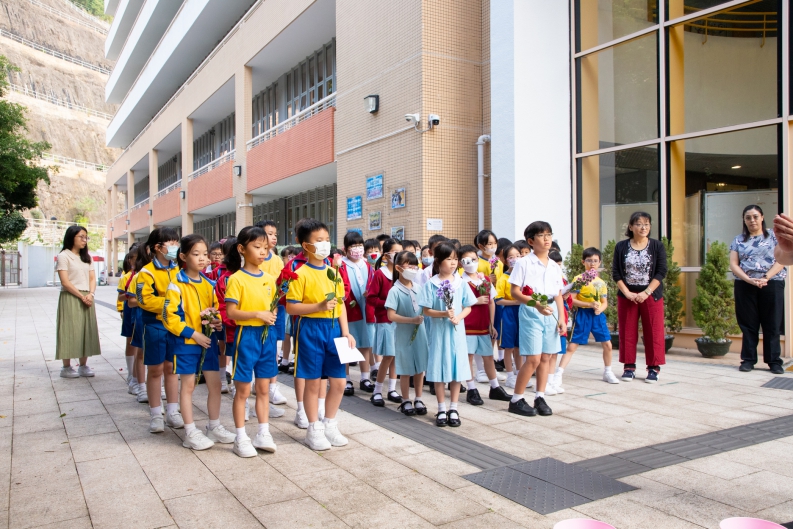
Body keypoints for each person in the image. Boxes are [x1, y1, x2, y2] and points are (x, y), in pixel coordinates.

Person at [162, 234, 236, 450]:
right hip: (186, 343)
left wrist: (217, 322)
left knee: (215, 384)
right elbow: (169, 318)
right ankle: (190, 431)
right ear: (183, 256)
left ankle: (214, 426)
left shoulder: (209, 283)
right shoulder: (176, 285)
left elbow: (215, 309)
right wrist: (193, 334)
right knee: (188, 386)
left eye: (205, 254)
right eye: (196, 254)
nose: (203, 258)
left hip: (208, 342)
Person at [286, 218, 354, 451]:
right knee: (313, 383)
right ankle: (313, 428)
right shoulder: (300, 274)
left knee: (339, 381)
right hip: (311, 329)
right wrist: (319, 307)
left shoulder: (334, 272)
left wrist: (346, 332)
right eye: (319, 240)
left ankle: (330, 423)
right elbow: (291, 307)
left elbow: (341, 304)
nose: (325, 244)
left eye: (326, 239)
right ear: (306, 245)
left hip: (334, 329)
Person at [225, 226, 280, 457]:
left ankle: (263, 433)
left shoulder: (269, 279)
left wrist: (271, 315)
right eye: (257, 247)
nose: (262, 252)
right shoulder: (236, 279)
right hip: (246, 336)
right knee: (243, 389)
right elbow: (231, 312)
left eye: (265, 247)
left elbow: (274, 306)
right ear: (241, 249)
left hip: (267, 336)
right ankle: (240, 437)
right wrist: (258, 314)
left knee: (264, 388)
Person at [507, 221, 565, 417]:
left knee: (546, 357)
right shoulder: (523, 263)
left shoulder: (554, 266)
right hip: (532, 311)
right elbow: (515, 292)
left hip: (551, 311)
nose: (546, 239)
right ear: (531, 241)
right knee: (533, 358)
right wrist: (536, 304)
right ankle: (516, 399)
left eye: (549, 234)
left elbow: (558, 293)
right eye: (541, 235)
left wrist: (561, 318)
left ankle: (540, 396)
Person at [419, 242, 477, 427]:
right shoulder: (431, 284)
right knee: (439, 369)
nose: (453, 263)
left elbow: (468, 306)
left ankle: (454, 408)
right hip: (438, 333)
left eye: (455, 259)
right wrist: (444, 314)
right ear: (438, 260)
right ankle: (441, 408)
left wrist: (458, 317)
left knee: (456, 369)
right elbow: (426, 310)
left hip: (457, 333)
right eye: (449, 259)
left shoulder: (461, 283)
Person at [133, 227, 183, 433]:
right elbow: (144, 300)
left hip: (175, 325)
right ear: (157, 247)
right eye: (171, 243)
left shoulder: (179, 269)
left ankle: (172, 411)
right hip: (154, 326)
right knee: (155, 369)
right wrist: (171, 302)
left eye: (176, 242)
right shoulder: (146, 273)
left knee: (171, 368)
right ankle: (155, 413)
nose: (175, 246)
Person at [729, 205, 786, 374]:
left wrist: (765, 277)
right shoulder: (738, 240)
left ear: (762, 217)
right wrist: (748, 280)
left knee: (772, 324)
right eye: (748, 217)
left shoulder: (775, 236)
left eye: (755, 216)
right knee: (748, 324)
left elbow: (782, 259)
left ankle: (774, 361)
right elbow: (733, 264)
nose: (752, 220)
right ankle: (748, 360)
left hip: (772, 283)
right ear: (744, 220)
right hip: (745, 285)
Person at [612, 212, 667, 383]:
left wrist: (646, 292)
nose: (643, 227)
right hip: (627, 296)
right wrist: (627, 292)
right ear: (630, 227)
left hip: (651, 295)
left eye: (647, 224)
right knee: (627, 332)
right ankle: (629, 367)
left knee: (654, 331)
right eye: (639, 224)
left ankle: (653, 368)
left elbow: (661, 271)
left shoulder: (657, 246)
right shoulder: (621, 246)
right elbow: (616, 272)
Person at [554, 247, 619, 386]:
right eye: (589, 260)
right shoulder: (579, 279)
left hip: (597, 316)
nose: (592, 263)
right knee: (572, 346)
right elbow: (572, 300)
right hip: (582, 314)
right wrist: (589, 304)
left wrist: (600, 309)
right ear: (583, 262)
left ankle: (608, 371)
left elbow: (604, 302)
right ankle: (558, 373)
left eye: (595, 261)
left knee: (607, 344)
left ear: (599, 262)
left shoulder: (601, 282)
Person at [459, 245, 511, 404]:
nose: (471, 263)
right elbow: (457, 304)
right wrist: (475, 301)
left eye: (474, 259)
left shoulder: (485, 279)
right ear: (461, 263)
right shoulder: (460, 282)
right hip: (467, 325)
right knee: (468, 357)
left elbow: (491, 302)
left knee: (488, 356)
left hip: (483, 325)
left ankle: (495, 387)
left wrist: (491, 323)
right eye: (466, 260)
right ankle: (471, 388)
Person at [385, 251, 430, 416]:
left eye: (414, 265)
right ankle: (405, 400)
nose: (413, 269)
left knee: (420, 368)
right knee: (405, 369)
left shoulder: (419, 288)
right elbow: (391, 315)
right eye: (408, 265)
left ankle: (418, 398)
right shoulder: (394, 291)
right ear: (398, 268)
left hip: (420, 334)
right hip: (403, 335)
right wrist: (411, 320)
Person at [56, 226, 101, 378]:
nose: (84, 240)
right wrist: (82, 296)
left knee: (86, 330)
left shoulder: (87, 257)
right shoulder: (64, 256)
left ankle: (83, 365)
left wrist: (91, 294)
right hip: (71, 296)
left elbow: (92, 279)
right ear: (71, 237)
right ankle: (66, 367)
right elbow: (65, 282)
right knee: (69, 330)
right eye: (81, 236)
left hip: (88, 296)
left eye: (86, 237)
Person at [256, 220, 289, 409]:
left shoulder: (276, 260)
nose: (274, 237)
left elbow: (282, 283)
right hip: (257, 310)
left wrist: (282, 293)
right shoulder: (253, 259)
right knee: (257, 347)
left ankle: (273, 386)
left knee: (273, 347)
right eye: (269, 233)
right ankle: (254, 383)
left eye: (275, 234)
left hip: (276, 308)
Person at [367, 239, 402, 407]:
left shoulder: (402, 274)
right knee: (388, 356)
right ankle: (377, 390)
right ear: (386, 255)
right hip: (385, 320)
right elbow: (371, 298)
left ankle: (392, 389)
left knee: (396, 356)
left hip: (400, 321)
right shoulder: (380, 274)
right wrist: (389, 304)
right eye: (395, 252)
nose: (399, 255)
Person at [341, 231, 375, 394]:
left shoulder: (367, 265)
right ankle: (346, 378)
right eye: (353, 246)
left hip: (365, 307)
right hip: (349, 307)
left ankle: (365, 377)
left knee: (365, 342)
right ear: (346, 248)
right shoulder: (341, 265)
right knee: (347, 342)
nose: (357, 249)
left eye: (360, 245)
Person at [496, 244, 523, 389]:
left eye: (518, 256)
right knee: (509, 346)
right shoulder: (503, 279)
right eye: (512, 257)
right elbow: (498, 299)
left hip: (522, 313)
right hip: (509, 314)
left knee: (519, 347)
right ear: (505, 260)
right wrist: (515, 302)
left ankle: (520, 374)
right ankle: (510, 376)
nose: (516, 259)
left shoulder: (523, 276)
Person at [118, 245, 141, 395]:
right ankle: (131, 375)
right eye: (134, 259)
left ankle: (138, 376)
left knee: (139, 344)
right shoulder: (127, 277)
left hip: (141, 311)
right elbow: (120, 297)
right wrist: (129, 296)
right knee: (130, 342)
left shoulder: (146, 275)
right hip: (129, 310)